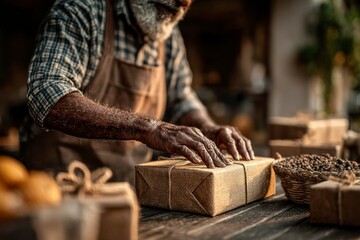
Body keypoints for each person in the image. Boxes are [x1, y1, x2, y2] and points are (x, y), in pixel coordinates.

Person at [20, 0, 255, 184]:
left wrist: (207, 129)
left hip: (130, 187)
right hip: (60, 186)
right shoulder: (82, 10)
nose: (184, 3)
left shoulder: (169, 36)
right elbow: (47, 93)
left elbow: (181, 98)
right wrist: (149, 128)